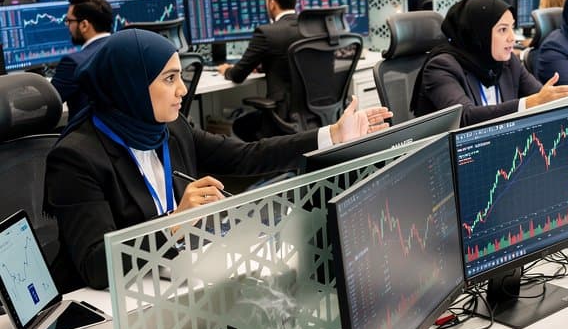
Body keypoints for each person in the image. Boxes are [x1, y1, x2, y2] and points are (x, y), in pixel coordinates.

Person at [45, 29, 391, 291]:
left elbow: (244, 157)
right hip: (107, 306)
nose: (182, 90)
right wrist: (173, 223)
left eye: (180, 76)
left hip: (173, 284)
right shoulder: (77, 157)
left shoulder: (169, 128)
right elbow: (95, 267)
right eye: (169, 79)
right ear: (131, 85)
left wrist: (331, 134)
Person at [411, 0, 568, 127]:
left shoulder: (508, 62)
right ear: (478, 35)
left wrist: (553, 99)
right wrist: (531, 103)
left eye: (512, 28)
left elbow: (540, 96)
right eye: (503, 30)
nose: (512, 38)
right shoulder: (441, 67)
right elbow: (464, 118)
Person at [216, 0, 301, 140]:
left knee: (240, 125)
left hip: (282, 115)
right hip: (313, 114)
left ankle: (266, 162)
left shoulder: (267, 32)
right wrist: (264, 66)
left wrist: (226, 70)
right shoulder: (309, 28)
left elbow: (237, 75)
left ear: (272, 4)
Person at [51, 0, 114, 120]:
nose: (67, 26)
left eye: (69, 21)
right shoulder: (127, 50)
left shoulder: (73, 62)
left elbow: (45, 105)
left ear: (84, 25)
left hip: (88, 137)